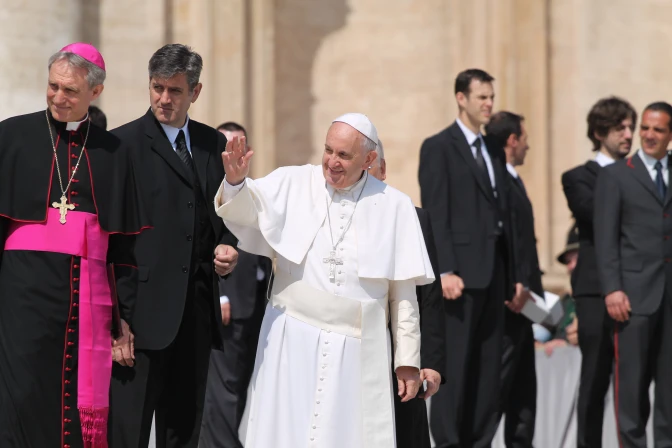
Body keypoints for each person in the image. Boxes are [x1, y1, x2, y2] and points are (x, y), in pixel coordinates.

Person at [215, 113, 433, 448]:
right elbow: (246, 211)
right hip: (291, 339)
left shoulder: (396, 207)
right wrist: (234, 182)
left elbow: (404, 296)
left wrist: (407, 361)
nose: (331, 162)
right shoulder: (294, 182)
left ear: (369, 159)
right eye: (328, 150)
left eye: (343, 155)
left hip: (359, 350)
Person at [0, 43, 149, 447]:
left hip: (83, 300)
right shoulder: (10, 135)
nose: (58, 97)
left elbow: (124, 250)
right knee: (21, 395)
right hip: (21, 297)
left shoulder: (114, 153)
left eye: (70, 91)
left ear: (95, 92)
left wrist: (125, 317)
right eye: (53, 86)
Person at [108, 44, 239, 448]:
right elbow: (109, 242)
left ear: (195, 92)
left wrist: (229, 246)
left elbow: (225, 216)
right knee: (127, 434)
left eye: (175, 90)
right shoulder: (121, 145)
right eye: (157, 88)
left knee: (183, 432)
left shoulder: (212, 143)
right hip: (139, 321)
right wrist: (116, 322)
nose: (164, 99)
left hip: (195, 315)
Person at [419, 68, 526, 448]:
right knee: (456, 368)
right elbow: (436, 212)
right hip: (459, 278)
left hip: (495, 277)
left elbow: (505, 215)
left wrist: (516, 274)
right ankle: (448, 442)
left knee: (487, 371)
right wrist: (445, 269)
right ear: (461, 98)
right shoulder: (438, 147)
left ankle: (479, 442)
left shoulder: (493, 148)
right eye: (482, 97)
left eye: (491, 97)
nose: (489, 104)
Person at [595, 101, 672, 448]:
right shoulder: (616, 175)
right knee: (631, 388)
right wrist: (612, 288)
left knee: (669, 389)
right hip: (633, 298)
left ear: (670, 135)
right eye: (645, 128)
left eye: (658, 129)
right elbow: (605, 238)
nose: (649, 135)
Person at [561, 96, 636, 448]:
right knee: (594, 378)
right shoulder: (578, 177)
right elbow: (596, 215)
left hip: (637, 286)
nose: (629, 135)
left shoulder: (640, 174)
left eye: (630, 127)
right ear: (598, 132)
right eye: (620, 128)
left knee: (634, 382)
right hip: (594, 291)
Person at [368, 138, 445, 448]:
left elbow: (430, 296)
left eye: (368, 168)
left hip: (402, 358)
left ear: (383, 169)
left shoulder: (414, 218)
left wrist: (432, 362)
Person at [200, 122, 272, 448]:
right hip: (226, 304)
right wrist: (222, 296)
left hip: (253, 307)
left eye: (237, 147)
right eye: (224, 148)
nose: (230, 155)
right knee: (223, 389)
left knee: (240, 385)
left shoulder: (254, 192)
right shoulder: (209, 192)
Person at [484, 111, 539, 448]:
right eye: (525, 139)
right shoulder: (498, 183)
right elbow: (506, 242)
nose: (528, 146)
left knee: (523, 397)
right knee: (496, 392)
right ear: (512, 140)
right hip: (508, 305)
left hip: (525, 307)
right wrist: (515, 283)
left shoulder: (514, 180)